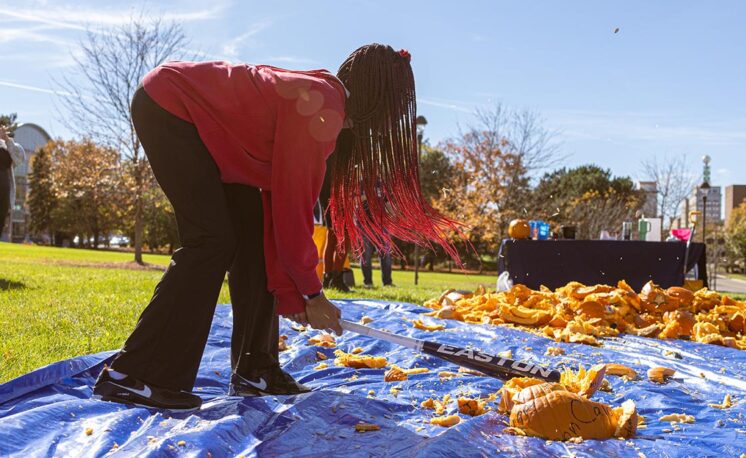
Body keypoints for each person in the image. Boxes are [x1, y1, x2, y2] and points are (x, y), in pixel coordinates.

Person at [93, 44, 461, 411]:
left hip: (211, 136)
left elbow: (272, 217)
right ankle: (135, 375)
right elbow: (293, 209)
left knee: (250, 240)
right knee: (211, 240)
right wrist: (313, 295)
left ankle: (256, 370)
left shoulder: (326, 103)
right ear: (380, 99)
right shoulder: (322, 108)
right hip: (171, 107)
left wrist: (292, 295)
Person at [0, 125, 25, 235]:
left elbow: (20, 158)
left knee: (1, 219)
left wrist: (7, 140)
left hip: (5, 190)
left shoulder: (9, 146)